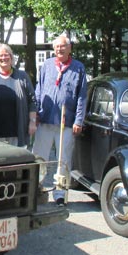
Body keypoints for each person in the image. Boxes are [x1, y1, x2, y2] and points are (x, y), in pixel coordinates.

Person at [32, 34, 88, 204]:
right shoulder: (47, 65)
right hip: (45, 119)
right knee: (39, 156)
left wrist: (79, 120)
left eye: (63, 46)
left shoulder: (78, 68)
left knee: (63, 159)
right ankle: (36, 189)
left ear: (69, 48)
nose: (60, 49)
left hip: (67, 122)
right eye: (57, 47)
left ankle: (60, 193)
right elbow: (39, 89)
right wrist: (35, 113)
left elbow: (82, 96)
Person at [0, 43, 37, 147]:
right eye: (0, 55)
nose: (4, 58)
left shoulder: (22, 77)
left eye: (7, 55)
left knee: (16, 161)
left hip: (16, 132)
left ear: (11, 57)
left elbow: (32, 101)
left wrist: (32, 122)